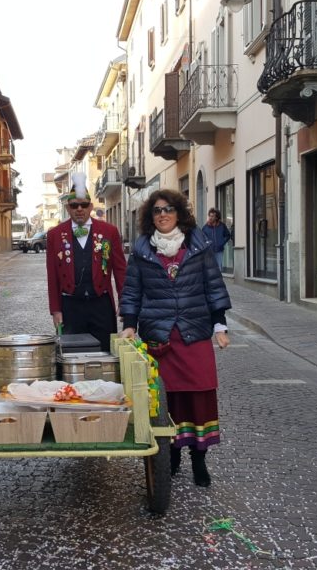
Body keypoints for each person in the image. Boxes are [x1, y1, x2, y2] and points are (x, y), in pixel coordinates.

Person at [120, 190, 232, 487]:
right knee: (166, 400)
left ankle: (199, 460)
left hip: (194, 331)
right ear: (150, 217)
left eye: (168, 209)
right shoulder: (143, 251)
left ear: (179, 213)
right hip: (161, 334)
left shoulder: (199, 245)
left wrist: (220, 325)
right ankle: (171, 457)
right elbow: (132, 291)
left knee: (200, 396)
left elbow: (214, 286)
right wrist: (130, 324)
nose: (163, 214)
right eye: (157, 211)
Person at [46, 172, 127, 351]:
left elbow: (121, 271)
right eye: (75, 205)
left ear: (91, 207)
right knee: (72, 355)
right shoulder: (55, 235)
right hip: (70, 306)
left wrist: (125, 303)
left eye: (83, 205)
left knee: (106, 352)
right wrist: (56, 309)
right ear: (68, 208)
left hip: (101, 304)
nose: (79, 209)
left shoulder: (109, 231)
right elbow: (52, 276)